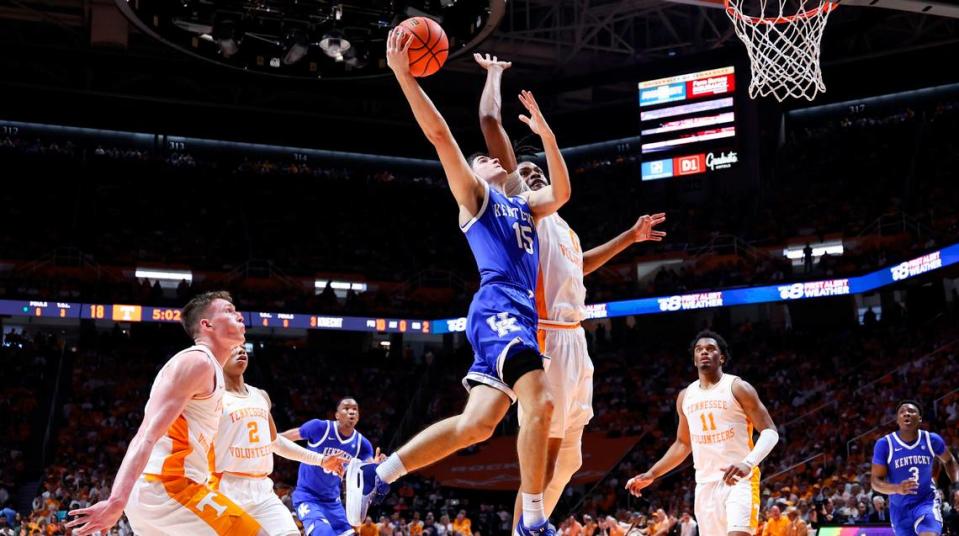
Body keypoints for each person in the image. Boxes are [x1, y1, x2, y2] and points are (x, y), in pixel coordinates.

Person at [346, 27, 573, 536]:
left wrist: (547, 136)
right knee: (541, 400)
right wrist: (405, 78)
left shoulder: (524, 206)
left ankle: (377, 473)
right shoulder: (476, 198)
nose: (490, 157)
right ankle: (533, 519)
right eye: (482, 159)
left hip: (518, 316)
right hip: (498, 308)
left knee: (477, 426)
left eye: (493, 159)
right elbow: (442, 136)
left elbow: (560, 192)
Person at [473, 52, 667, 531]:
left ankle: (534, 523)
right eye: (526, 170)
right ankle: (527, 526)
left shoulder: (562, 226)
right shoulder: (523, 211)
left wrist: (629, 237)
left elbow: (583, 266)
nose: (532, 172)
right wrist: (496, 77)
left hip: (577, 339)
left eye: (539, 170)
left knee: (572, 460)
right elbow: (490, 124)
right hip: (546, 337)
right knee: (546, 454)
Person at [67, 291, 266, 535]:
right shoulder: (197, 362)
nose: (238, 315)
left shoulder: (211, 369)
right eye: (228, 310)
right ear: (207, 324)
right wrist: (116, 500)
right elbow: (145, 435)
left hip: (166, 489)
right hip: (168, 487)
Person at [626, 330, 780, 536]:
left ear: (722, 357)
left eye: (710, 349)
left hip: (739, 481)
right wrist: (652, 473)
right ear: (694, 359)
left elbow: (770, 432)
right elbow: (682, 444)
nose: (704, 353)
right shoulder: (685, 396)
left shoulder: (738, 387)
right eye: (699, 350)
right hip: (705, 486)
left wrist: (748, 463)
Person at [213, 346, 348, 535]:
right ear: (218, 357)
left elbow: (274, 442)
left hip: (262, 489)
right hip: (226, 487)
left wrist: (321, 460)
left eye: (243, 347)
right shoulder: (211, 397)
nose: (241, 350)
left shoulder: (260, 396)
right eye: (233, 348)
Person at [280, 397, 379, 536]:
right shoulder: (320, 428)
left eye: (355, 409)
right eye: (346, 408)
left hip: (333, 503)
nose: (351, 412)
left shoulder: (362, 444)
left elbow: (369, 471)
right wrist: (264, 443)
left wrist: (378, 466)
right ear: (337, 415)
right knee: (324, 533)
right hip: (308, 497)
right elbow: (281, 439)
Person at [871, 400, 959, 536]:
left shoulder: (931, 440)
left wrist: (957, 486)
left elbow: (949, 461)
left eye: (911, 411)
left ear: (919, 419)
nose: (906, 413)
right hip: (899, 509)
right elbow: (875, 482)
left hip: (926, 501)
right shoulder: (884, 444)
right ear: (897, 420)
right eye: (902, 412)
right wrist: (896, 488)